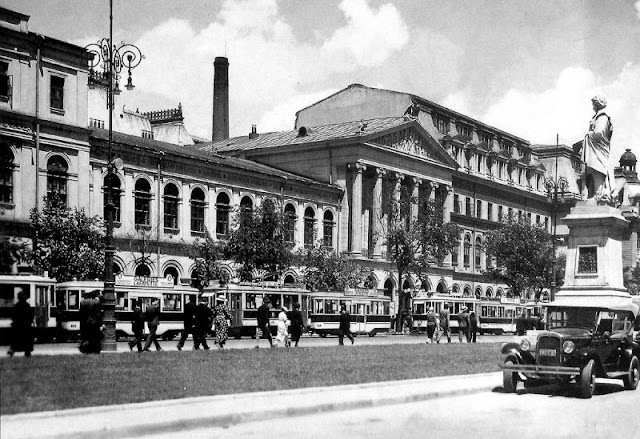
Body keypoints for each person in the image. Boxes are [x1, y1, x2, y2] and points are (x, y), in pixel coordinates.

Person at [580, 95, 613, 200]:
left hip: (598, 148)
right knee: (593, 170)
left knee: (597, 169)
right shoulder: (598, 117)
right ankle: (595, 194)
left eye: (593, 103)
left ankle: (599, 194)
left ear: (597, 104)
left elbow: (599, 133)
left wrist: (588, 134)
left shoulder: (602, 117)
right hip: (595, 147)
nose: (592, 106)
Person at [7, 291, 34, 357]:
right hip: (26, 326)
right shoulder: (27, 305)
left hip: (18, 326)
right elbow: (30, 316)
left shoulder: (17, 305)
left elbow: (13, 316)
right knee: (27, 341)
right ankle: (27, 353)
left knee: (16, 340)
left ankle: (12, 351)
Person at [79, 290, 103, 354]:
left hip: (85, 323)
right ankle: (94, 350)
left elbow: (81, 314)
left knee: (86, 336)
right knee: (95, 337)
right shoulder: (96, 302)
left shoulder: (82, 302)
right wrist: (101, 324)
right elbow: (98, 315)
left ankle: (86, 350)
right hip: (94, 323)